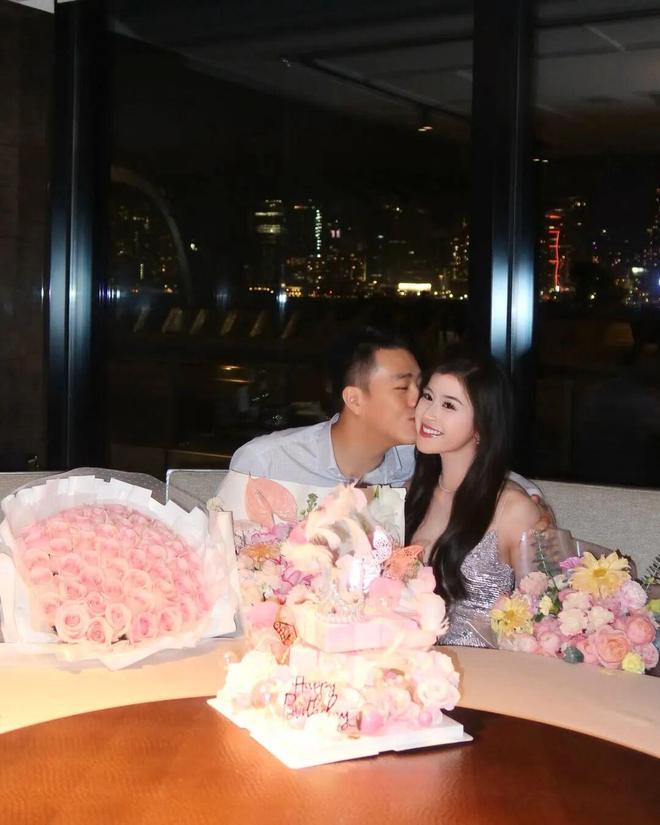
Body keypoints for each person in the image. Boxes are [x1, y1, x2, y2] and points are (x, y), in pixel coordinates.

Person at [224, 327, 542, 498]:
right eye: (403, 388)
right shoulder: (266, 462)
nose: (420, 402)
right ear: (355, 399)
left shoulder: (416, 460)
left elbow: (484, 472)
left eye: (422, 387)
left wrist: (531, 498)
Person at [405, 348, 542, 647]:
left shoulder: (514, 510)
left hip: (488, 667)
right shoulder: (411, 491)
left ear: (482, 423)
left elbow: (543, 618)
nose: (429, 414)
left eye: (449, 405)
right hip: (412, 661)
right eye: (428, 397)